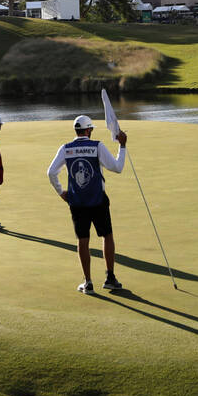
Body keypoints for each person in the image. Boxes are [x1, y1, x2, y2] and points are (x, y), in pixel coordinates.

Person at [47, 115, 128, 294]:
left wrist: (61, 192)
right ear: (89, 130)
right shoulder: (97, 146)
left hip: (77, 202)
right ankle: (110, 278)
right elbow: (117, 167)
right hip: (98, 199)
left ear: (76, 130)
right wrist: (122, 146)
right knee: (107, 236)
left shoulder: (66, 148)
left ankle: (88, 282)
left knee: (82, 241)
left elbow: (51, 172)